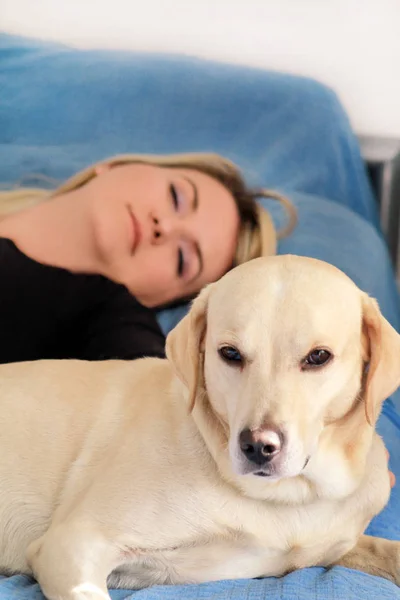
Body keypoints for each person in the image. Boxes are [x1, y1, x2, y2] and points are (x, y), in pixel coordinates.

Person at [0, 152, 296, 364]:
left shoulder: (111, 323)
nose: (164, 227)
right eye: (176, 197)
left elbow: (156, 400)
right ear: (118, 164)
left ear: (157, 301)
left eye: (183, 259)